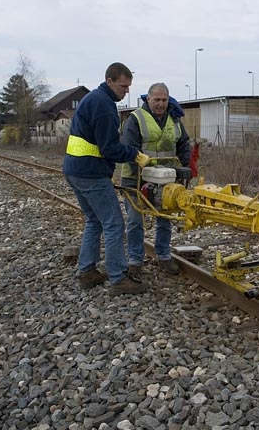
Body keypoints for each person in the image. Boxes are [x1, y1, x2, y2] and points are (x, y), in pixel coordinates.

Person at [63, 62, 151, 294]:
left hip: (74, 169)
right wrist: (134, 154)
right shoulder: (104, 105)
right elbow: (110, 148)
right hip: (91, 173)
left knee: (95, 220)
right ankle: (118, 278)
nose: (126, 91)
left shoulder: (93, 98)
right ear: (109, 81)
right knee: (114, 223)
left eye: (128, 86)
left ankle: (87, 271)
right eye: (123, 86)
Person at [121, 82, 192, 279]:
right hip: (135, 178)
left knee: (165, 218)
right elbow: (129, 149)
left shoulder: (174, 119)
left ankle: (163, 255)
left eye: (164, 100)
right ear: (148, 99)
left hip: (166, 178)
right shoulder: (136, 119)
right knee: (135, 220)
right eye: (157, 100)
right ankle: (135, 260)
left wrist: (184, 167)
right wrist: (143, 175)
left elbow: (184, 143)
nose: (161, 104)